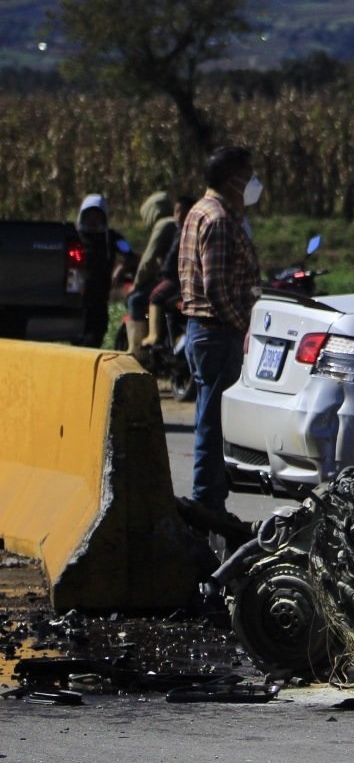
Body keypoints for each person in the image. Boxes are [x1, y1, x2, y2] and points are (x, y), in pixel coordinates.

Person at [178, 145, 263, 523]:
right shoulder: (220, 220)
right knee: (214, 423)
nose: (254, 184)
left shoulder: (200, 210)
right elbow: (217, 287)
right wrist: (243, 326)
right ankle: (206, 503)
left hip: (204, 331)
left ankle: (211, 496)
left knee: (210, 417)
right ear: (234, 181)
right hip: (217, 333)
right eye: (249, 177)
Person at [127, 192, 189, 353]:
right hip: (184, 278)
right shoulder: (178, 224)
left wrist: (137, 284)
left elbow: (148, 259)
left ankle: (137, 350)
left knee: (137, 299)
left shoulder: (164, 225)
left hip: (174, 279)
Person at [73, 194, 128, 349]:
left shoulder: (111, 238)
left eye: (97, 216)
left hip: (100, 297)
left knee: (96, 335)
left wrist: (120, 268)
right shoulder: (76, 237)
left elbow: (129, 254)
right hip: (79, 299)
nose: (93, 220)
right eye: (89, 215)